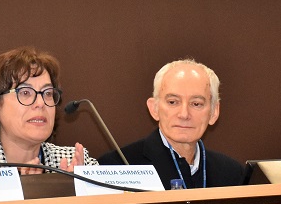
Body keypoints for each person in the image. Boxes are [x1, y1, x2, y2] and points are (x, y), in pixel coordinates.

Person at [0, 46, 97, 173]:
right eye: (25, 93)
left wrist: (79, 192)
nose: (40, 103)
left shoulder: (75, 162)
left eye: (48, 93)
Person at [98, 59, 245, 189]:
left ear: (214, 112)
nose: (184, 114)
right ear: (154, 108)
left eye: (196, 104)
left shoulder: (232, 174)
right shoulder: (116, 168)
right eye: (173, 102)